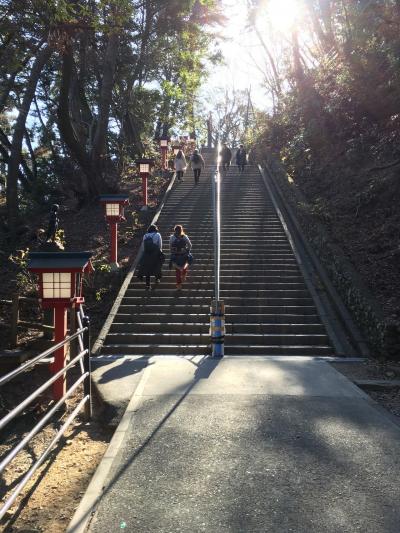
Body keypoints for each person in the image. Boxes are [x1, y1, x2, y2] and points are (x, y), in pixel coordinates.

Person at [137, 224, 164, 290]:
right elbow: (160, 245)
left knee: (147, 269)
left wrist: (144, 253)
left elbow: (143, 247)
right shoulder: (157, 235)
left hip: (147, 254)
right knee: (157, 266)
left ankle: (148, 285)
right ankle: (157, 279)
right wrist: (160, 252)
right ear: (155, 229)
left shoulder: (145, 236)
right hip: (155, 254)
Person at [169, 225, 192, 290]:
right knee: (186, 263)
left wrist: (173, 252)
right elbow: (190, 245)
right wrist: (186, 250)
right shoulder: (184, 236)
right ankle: (184, 275)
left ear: (174, 230)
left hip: (176, 255)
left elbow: (170, 247)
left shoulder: (172, 237)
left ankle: (179, 285)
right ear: (181, 230)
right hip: (183, 254)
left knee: (177, 270)